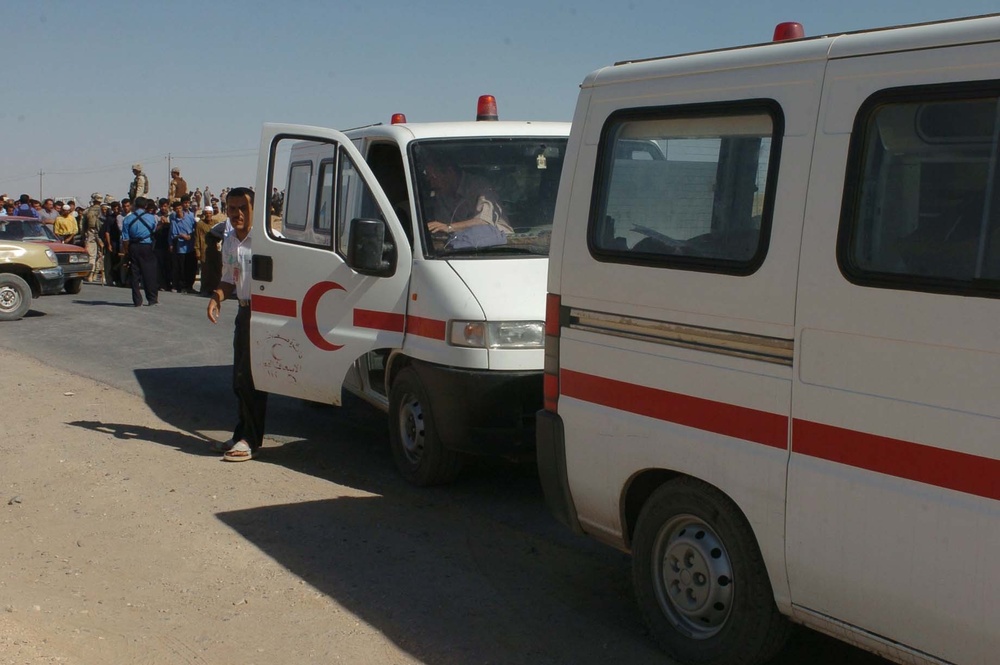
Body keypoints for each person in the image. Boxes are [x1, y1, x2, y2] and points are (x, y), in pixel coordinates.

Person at [206, 187, 266, 461]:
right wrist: (216, 298)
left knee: (252, 379)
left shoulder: (267, 241)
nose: (237, 214)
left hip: (265, 314)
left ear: (255, 208)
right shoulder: (230, 241)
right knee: (239, 379)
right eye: (232, 209)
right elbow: (229, 279)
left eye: (243, 208)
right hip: (244, 313)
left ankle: (250, 440)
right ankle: (241, 433)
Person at [421, 157, 511, 249]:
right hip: (459, 248)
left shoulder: (479, 187)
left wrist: (449, 227)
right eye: (429, 179)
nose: (432, 184)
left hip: (500, 248)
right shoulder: (440, 194)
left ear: (449, 172)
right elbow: (442, 229)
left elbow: (484, 221)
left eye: (433, 178)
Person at [120, 197, 159, 306]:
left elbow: (125, 239)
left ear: (134, 205)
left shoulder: (127, 219)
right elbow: (154, 230)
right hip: (146, 246)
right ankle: (152, 299)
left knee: (134, 273)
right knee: (149, 273)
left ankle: (137, 300)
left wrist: (127, 252)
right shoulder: (151, 218)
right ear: (146, 206)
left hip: (133, 247)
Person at [169, 200, 196, 292]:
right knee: (181, 267)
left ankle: (189, 286)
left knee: (191, 267)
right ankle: (181, 286)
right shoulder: (174, 221)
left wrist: (190, 236)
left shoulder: (190, 217)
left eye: (180, 208)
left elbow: (194, 228)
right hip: (181, 247)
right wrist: (181, 236)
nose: (178, 210)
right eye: (176, 209)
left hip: (191, 247)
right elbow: (173, 235)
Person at [80, 193, 105, 283]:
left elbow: (82, 225)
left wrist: (83, 235)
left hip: (90, 233)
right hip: (102, 234)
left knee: (91, 256)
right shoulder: (104, 210)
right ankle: (96, 273)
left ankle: (90, 275)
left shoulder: (87, 211)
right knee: (101, 255)